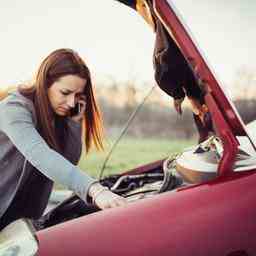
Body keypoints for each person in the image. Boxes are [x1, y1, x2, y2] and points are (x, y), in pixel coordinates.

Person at [0, 48, 127, 230]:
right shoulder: (14, 109)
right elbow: (41, 156)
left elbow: (68, 162)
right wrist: (96, 190)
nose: (71, 103)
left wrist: (74, 123)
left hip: (17, 223)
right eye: (65, 92)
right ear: (44, 83)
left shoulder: (56, 115)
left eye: (77, 95)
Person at [115, 0, 213, 142]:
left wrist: (177, 92)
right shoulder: (160, 15)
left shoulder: (162, 14)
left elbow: (168, 60)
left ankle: (207, 131)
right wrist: (178, 92)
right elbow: (171, 60)